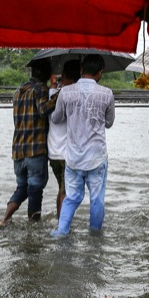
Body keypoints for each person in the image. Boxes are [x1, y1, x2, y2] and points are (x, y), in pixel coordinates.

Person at [49, 54, 114, 237]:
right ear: (100, 72)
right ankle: (95, 237)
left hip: (73, 157)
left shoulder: (66, 92)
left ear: (81, 70)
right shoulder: (107, 94)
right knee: (96, 200)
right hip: (97, 157)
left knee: (71, 198)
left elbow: (56, 117)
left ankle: (62, 231)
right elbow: (109, 123)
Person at [0, 59, 55, 226]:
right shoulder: (40, 88)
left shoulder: (19, 91)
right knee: (35, 189)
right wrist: (59, 95)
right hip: (35, 149)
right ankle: (33, 227)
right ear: (44, 74)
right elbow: (44, 110)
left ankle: (5, 219)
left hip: (18, 150)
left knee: (22, 188)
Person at [47, 59, 80, 219]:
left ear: (64, 75)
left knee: (61, 188)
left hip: (53, 152)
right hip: (67, 153)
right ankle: (63, 225)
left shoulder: (52, 94)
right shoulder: (75, 96)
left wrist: (57, 81)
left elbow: (53, 83)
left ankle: (60, 219)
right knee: (65, 191)